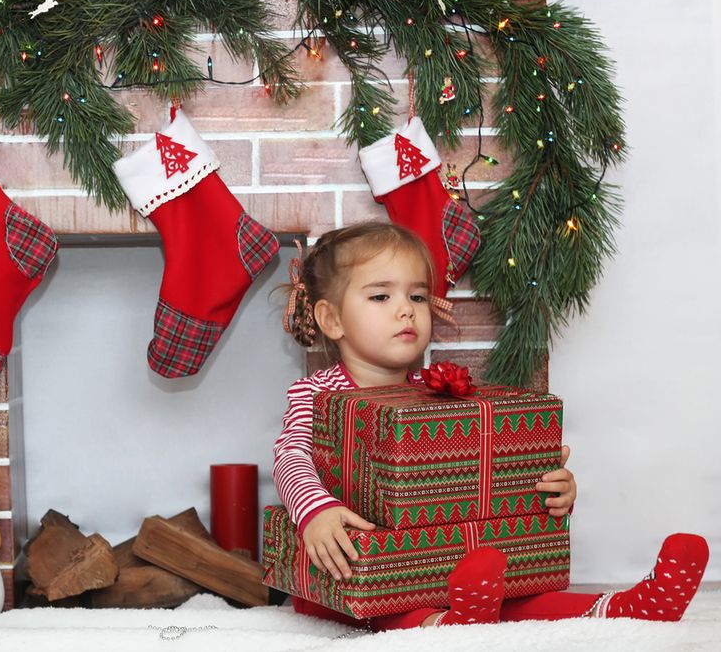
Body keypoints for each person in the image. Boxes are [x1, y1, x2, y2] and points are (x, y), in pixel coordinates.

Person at [274, 221, 709, 629]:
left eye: (419, 297)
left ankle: (624, 609)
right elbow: (290, 457)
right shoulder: (316, 394)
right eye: (381, 297)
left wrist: (545, 486)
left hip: (442, 556)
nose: (406, 310)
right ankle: (443, 626)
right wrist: (317, 512)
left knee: (514, 591)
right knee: (383, 599)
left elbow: (478, 480)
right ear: (331, 319)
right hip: (349, 562)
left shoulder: (440, 394)